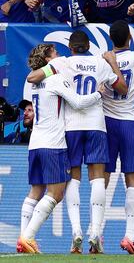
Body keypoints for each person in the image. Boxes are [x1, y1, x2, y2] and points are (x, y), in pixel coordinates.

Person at [27, 30, 128, 254]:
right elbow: (122, 88)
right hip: (96, 125)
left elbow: (33, 77)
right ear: (88, 46)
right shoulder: (100, 64)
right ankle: (95, 232)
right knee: (97, 178)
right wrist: (112, 65)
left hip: (70, 127)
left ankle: (76, 233)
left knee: (73, 178)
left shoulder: (60, 63)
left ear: (70, 47)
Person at [17, 43, 105, 254]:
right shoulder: (55, 79)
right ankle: (28, 237)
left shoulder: (35, 83)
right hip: (52, 144)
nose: (59, 55)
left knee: (35, 192)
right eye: (55, 53)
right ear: (48, 59)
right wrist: (99, 94)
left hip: (35, 143)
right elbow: (78, 102)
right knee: (56, 193)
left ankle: (23, 241)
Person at [103, 20, 134, 255]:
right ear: (129, 38)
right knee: (133, 178)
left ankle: (96, 232)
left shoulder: (102, 59)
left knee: (101, 178)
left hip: (106, 121)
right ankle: (130, 236)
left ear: (111, 39)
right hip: (130, 121)